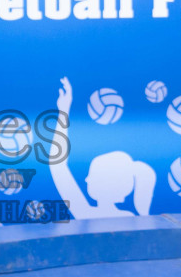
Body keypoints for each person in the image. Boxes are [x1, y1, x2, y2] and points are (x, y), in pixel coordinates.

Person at [49, 77, 155, 218]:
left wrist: (64, 112)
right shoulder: (131, 218)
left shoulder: (86, 213)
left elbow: (57, 166)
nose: (86, 179)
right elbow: (57, 165)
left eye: (91, 175)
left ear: (107, 183)